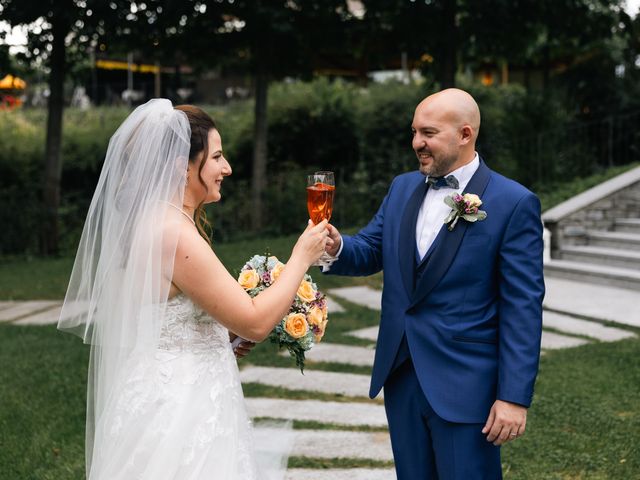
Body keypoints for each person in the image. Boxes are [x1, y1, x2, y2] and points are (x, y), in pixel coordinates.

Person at [58, 99, 330, 480]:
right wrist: (302, 256)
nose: (227, 168)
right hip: (183, 407)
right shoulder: (173, 233)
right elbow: (255, 322)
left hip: (167, 387)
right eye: (217, 157)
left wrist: (223, 336)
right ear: (182, 165)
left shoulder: (155, 221)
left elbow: (172, 315)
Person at [324, 88, 544, 479]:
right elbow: (371, 249)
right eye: (413, 132)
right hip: (402, 374)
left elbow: (522, 307)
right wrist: (336, 245)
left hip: (466, 383)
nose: (416, 144)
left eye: (427, 133)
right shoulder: (402, 187)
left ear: (465, 134)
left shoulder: (514, 203)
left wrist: (512, 397)